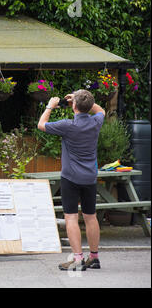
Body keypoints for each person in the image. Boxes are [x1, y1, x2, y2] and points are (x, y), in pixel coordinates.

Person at [37, 89, 105, 271]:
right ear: (89, 106)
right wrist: (80, 99)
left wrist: (50, 106)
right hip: (90, 177)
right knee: (91, 217)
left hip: (71, 177)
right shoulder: (96, 121)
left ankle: (77, 259)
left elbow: (41, 125)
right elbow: (100, 111)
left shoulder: (67, 125)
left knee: (71, 218)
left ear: (74, 106)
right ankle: (94, 257)